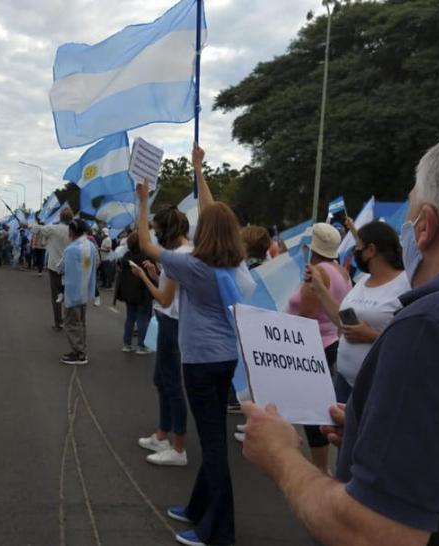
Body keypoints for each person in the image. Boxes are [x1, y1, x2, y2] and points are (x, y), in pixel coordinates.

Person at [241, 129, 439, 546]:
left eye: (411, 214)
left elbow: (374, 533)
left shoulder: (434, 327)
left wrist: (282, 456)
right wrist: (368, 428)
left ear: (427, 226)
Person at [136, 144, 247, 546]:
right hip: (224, 358)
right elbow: (214, 210)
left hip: (200, 362)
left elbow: (146, 244)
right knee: (213, 435)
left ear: (205, 232)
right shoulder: (229, 261)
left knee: (215, 447)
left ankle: (218, 531)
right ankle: (200, 507)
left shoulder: (193, 266)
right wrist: (199, 170)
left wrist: (144, 201)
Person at [307, 219, 408, 402]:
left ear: (370, 250)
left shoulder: (406, 284)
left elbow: (410, 342)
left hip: (377, 386)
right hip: (344, 382)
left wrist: (371, 336)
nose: (355, 252)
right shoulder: (363, 281)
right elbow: (342, 321)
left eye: (358, 247)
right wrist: (319, 289)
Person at [284, 222, 351, 474]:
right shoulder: (340, 271)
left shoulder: (318, 272)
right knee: (308, 405)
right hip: (329, 341)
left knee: (310, 411)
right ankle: (319, 465)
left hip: (314, 345)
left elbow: (308, 317)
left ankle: (321, 468)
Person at [132, 207, 191, 468]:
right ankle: (163, 434)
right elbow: (174, 290)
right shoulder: (184, 252)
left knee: (172, 384)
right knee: (162, 379)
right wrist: (157, 274)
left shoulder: (177, 256)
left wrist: (145, 277)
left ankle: (178, 447)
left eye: (157, 230)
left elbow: (165, 298)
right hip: (172, 320)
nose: (155, 236)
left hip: (172, 322)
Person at [58, 219, 98, 366]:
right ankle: (81, 349)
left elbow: (62, 269)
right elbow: (90, 265)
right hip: (84, 291)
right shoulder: (90, 246)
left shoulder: (71, 250)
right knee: (80, 323)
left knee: (71, 323)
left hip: (72, 292)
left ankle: (79, 353)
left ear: (72, 231)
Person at [28, 208, 74, 331]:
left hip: (55, 267)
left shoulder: (53, 229)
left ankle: (59, 323)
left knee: (56, 295)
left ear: (60, 217)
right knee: (69, 295)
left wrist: (26, 225)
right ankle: (70, 321)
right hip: (70, 268)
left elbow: (37, 229)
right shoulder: (74, 231)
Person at [114, 232, 153, 355]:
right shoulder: (146, 256)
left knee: (130, 318)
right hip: (143, 292)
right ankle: (141, 346)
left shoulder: (126, 256)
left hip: (129, 293)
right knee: (143, 319)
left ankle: (127, 344)